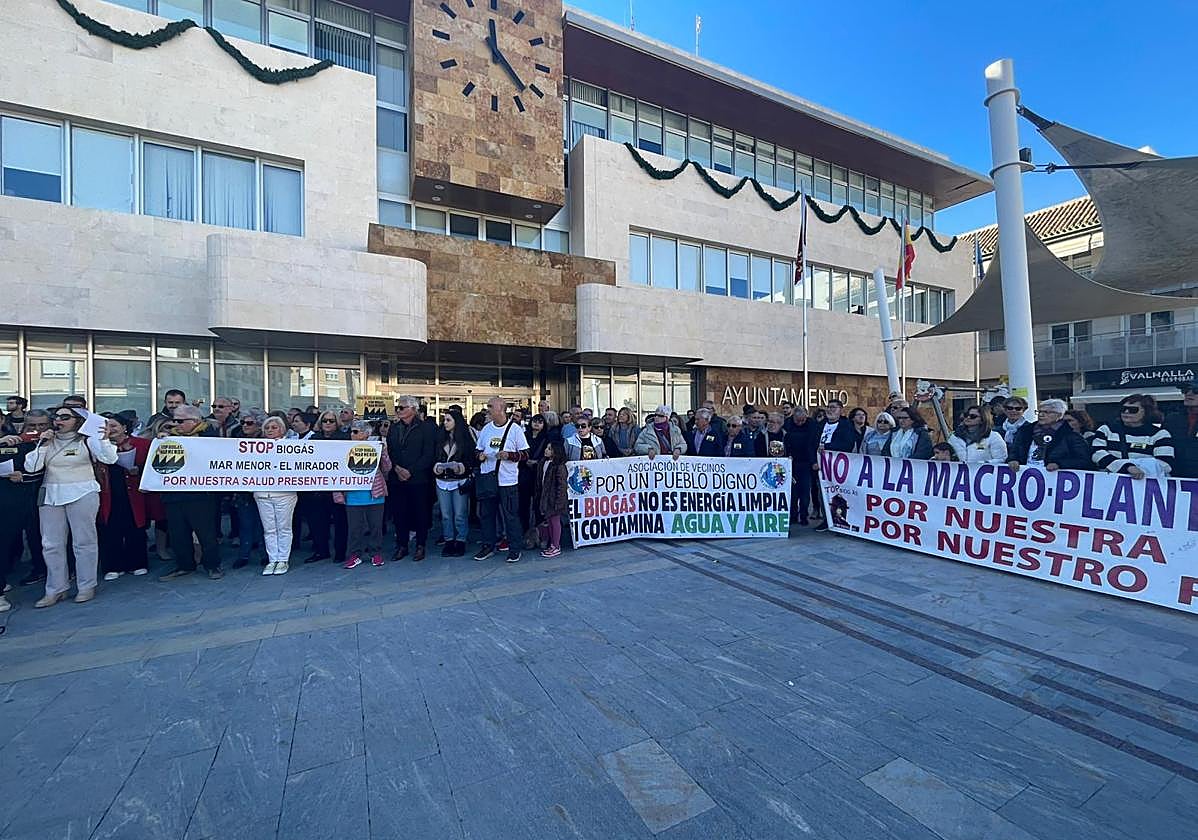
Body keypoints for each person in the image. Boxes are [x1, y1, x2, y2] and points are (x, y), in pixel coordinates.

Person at [24, 406, 117, 606]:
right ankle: (56, 588)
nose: (59, 421)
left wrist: (104, 439)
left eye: (65, 417)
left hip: (83, 491)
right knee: (50, 544)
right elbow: (31, 467)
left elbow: (110, 458)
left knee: (84, 541)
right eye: (56, 417)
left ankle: (86, 585)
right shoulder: (48, 440)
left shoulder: (87, 440)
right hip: (51, 493)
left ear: (77, 420)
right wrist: (42, 443)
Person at [159, 405, 224, 582]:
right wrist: (162, 441)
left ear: (194, 421)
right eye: (174, 420)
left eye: (180, 421)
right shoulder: (168, 437)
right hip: (173, 493)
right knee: (178, 533)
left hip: (200, 495)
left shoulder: (208, 435)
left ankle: (212, 564)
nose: (175, 424)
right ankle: (185, 565)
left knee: (206, 533)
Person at [0, 410, 50, 606]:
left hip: (39, 497)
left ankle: (41, 570)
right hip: (7, 500)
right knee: (4, 543)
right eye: (32, 426)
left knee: (40, 538)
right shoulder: (11, 441)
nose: (36, 430)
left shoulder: (50, 441)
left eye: (42, 425)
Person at [474, 396, 530, 563]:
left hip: (507, 481)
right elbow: (476, 450)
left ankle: (514, 548)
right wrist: (480, 456)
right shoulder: (486, 429)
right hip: (488, 479)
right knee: (486, 515)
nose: (488, 409)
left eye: (491, 406)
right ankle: (488, 545)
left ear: (501, 409)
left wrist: (509, 455)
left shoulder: (515, 430)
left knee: (511, 516)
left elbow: (526, 454)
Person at [98, 414, 151, 580]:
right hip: (108, 492)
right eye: (106, 426)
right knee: (110, 529)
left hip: (134, 492)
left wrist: (139, 470)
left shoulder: (142, 444)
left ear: (124, 427)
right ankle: (113, 566)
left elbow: (151, 466)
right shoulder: (97, 445)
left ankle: (138, 563)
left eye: (113, 426)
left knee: (135, 527)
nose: (110, 430)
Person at [338, 421, 391, 569]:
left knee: (376, 527)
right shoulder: (343, 450)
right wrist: (338, 494)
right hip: (353, 496)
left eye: (355, 432)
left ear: (365, 434)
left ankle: (376, 553)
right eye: (352, 431)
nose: (352, 434)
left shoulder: (376, 448)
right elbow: (336, 472)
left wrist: (384, 453)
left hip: (375, 494)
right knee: (354, 528)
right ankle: (354, 555)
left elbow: (387, 468)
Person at [1091, 395, 1174, 479]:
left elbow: (1165, 464)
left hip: (1144, 484)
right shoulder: (1106, 430)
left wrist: (1138, 469)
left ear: (1146, 412)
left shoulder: (1160, 434)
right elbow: (1097, 454)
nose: (1126, 412)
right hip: (1109, 483)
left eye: (1133, 410)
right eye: (1123, 409)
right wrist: (1127, 467)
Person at [255, 417, 298, 575]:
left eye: (274, 427)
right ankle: (272, 559)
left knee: (284, 527)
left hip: (284, 494)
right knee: (269, 529)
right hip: (261, 493)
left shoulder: (292, 446)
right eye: (267, 428)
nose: (270, 430)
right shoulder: (254, 448)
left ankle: (283, 559)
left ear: (282, 429)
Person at [1007, 399, 1091, 472]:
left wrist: (1059, 464)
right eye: (1039, 411)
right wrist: (1013, 459)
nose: (1041, 415)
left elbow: (1083, 461)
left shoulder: (1070, 435)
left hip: (1053, 480)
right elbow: (1014, 451)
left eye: (1046, 412)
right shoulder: (1025, 431)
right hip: (1025, 475)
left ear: (1059, 415)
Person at [434, 409, 474, 557]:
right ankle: (449, 540)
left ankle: (461, 540)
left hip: (459, 481)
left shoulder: (465, 439)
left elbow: (471, 459)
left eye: (448, 420)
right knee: (445, 514)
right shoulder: (440, 438)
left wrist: (460, 467)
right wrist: (437, 466)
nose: (445, 423)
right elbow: (434, 456)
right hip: (442, 480)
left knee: (460, 513)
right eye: (444, 420)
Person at [783, 407, 818, 527]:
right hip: (791, 461)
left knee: (804, 491)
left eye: (802, 420)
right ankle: (793, 515)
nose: (800, 423)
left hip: (806, 462)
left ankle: (804, 515)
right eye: (797, 421)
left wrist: (813, 461)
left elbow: (813, 443)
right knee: (793, 491)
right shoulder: (787, 423)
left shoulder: (812, 424)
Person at [535, 440, 569, 558]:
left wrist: (559, 501)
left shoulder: (559, 466)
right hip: (546, 498)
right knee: (549, 522)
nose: (546, 450)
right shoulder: (544, 462)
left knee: (555, 522)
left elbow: (562, 485)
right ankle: (552, 544)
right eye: (547, 448)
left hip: (554, 499)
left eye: (549, 449)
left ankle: (556, 545)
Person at [1164, 380, 1198, 478]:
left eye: (1196, 391)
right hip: (1174, 480)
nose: (1189, 394)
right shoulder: (1172, 419)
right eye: (1185, 390)